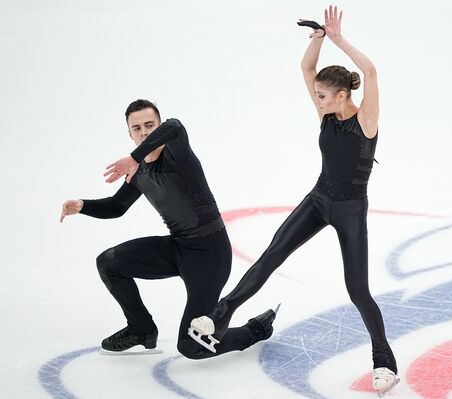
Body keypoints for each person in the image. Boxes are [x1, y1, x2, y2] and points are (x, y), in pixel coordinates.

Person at [188, 5, 399, 394]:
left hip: (351, 209)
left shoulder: (365, 120)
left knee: (357, 290)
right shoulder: (327, 116)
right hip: (318, 199)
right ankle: (219, 316)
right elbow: (306, 70)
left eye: (322, 96)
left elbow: (369, 72)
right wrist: (318, 40)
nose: (315, 100)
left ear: (341, 95)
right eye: (316, 96)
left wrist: (338, 40)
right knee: (272, 255)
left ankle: (384, 359)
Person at [60, 99, 277, 358]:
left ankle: (254, 330)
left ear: (158, 126)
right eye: (137, 128)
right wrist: (82, 206)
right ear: (130, 134)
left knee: (191, 346)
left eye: (150, 125)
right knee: (109, 263)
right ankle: (141, 329)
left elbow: (176, 126)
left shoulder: (177, 154)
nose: (144, 132)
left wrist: (133, 157)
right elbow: (116, 207)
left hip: (209, 256)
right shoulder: (138, 172)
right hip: (178, 247)